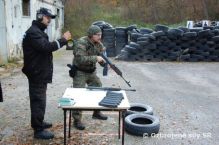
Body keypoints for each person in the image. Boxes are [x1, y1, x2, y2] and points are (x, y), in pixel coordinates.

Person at [22, 8, 71, 139]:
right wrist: (63, 40)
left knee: (40, 99)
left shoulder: (37, 31)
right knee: (38, 100)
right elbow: (46, 47)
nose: (49, 20)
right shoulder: (34, 32)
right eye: (48, 17)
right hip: (36, 72)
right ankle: (38, 130)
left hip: (38, 71)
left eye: (50, 18)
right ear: (40, 17)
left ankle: (39, 122)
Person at [71, 25, 108, 130]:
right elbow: (80, 59)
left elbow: (102, 57)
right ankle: (77, 120)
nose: (100, 37)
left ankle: (96, 112)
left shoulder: (98, 44)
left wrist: (104, 63)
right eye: (98, 35)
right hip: (80, 72)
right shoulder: (81, 43)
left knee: (98, 88)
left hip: (91, 72)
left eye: (101, 34)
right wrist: (96, 58)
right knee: (78, 94)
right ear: (91, 35)